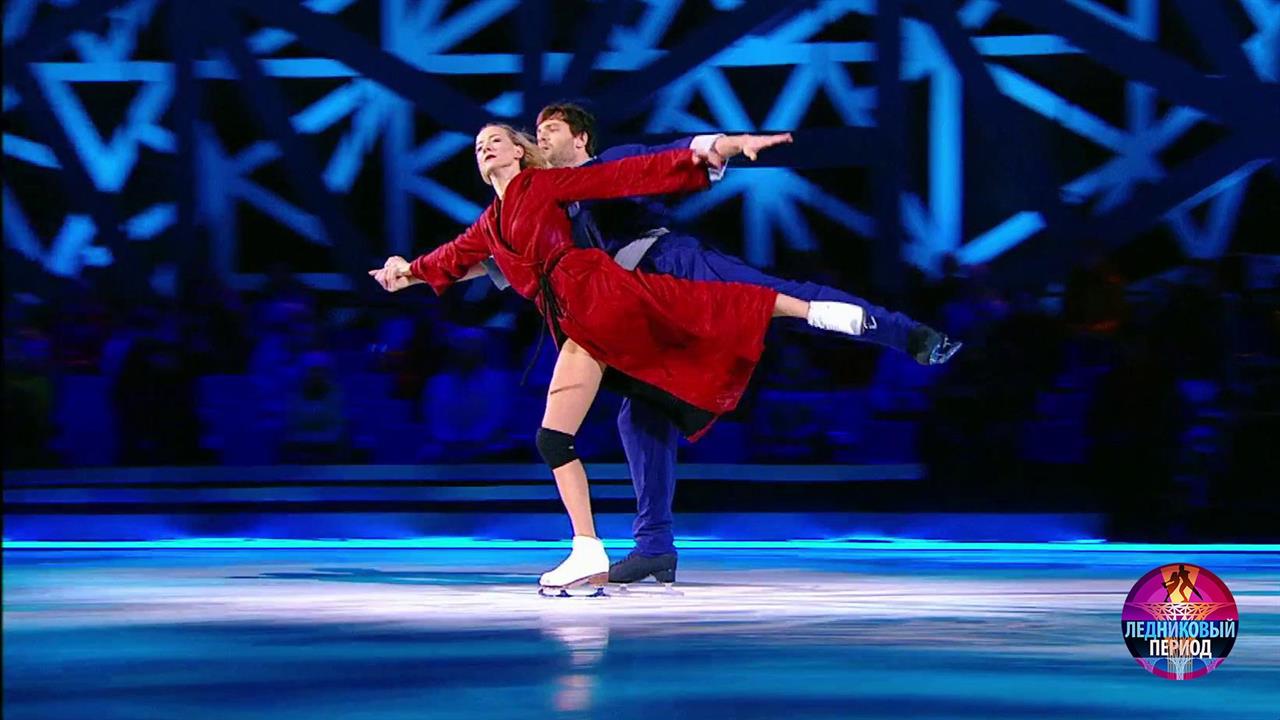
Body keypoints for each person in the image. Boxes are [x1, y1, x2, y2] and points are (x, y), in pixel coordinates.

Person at [371, 124, 871, 592]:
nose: (485, 147)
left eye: (496, 140)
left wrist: (716, 149)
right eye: (479, 145)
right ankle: (587, 548)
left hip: (599, 295)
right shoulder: (489, 224)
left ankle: (815, 311)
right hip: (574, 318)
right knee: (554, 438)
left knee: (701, 306)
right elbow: (451, 257)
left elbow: (624, 175)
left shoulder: (543, 185)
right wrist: (405, 271)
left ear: (520, 151)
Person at [497, 103, 961, 586]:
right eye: (538, 130)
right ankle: (654, 547)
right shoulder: (550, 203)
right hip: (642, 308)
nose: (541, 137)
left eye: (552, 129)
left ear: (580, 139)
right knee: (641, 414)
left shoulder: (609, 162)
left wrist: (725, 145)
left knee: (781, 300)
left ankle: (908, 333)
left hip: (672, 264)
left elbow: (663, 157)